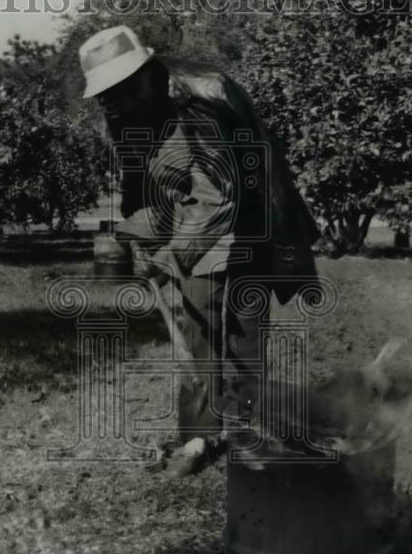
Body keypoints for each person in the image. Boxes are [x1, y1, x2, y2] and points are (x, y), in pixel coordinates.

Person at [78, 25, 320, 475]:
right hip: (188, 208)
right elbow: (137, 183)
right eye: (105, 93)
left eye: (119, 88)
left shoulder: (205, 95)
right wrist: (141, 239)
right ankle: (197, 435)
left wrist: (173, 256)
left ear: (145, 72)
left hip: (247, 213)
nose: (112, 101)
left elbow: (216, 196)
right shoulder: (124, 107)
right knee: (199, 325)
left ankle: (245, 429)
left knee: (245, 326)